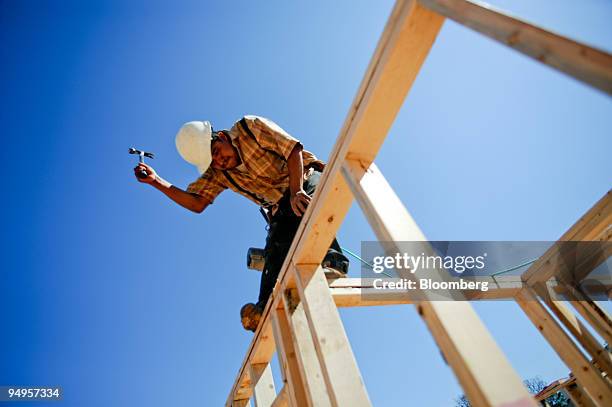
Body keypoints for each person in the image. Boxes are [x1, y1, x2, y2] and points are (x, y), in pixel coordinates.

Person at [133, 115, 349, 331]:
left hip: (305, 180)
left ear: (223, 137)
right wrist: (156, 182)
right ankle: (264, 308)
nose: (219, 161)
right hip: (282, 208)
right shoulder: (219, 173)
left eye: (217, 152)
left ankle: (333, 262)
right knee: (275, 249)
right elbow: (197, 203)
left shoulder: (250, 128)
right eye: (212, 161)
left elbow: (293, 149)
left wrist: (296, 191)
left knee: (303, 209)